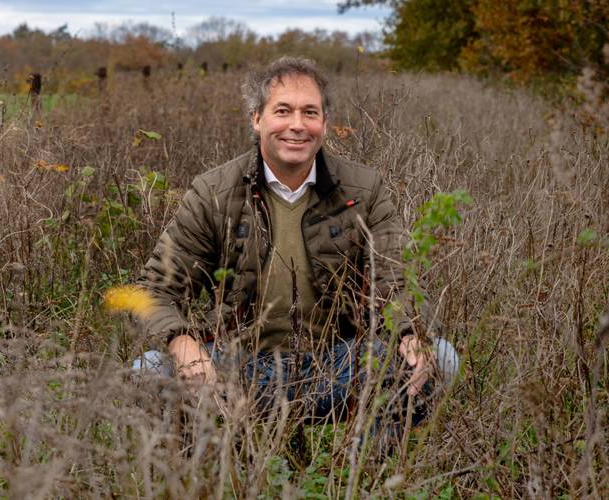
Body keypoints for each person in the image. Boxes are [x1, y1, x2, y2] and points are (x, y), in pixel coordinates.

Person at [133, 57, 458, 440]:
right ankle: (207, 471)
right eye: (282, 111)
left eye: (310, 113)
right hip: (241, 366)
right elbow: (154, 290)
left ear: (324, 123)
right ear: (257, 119)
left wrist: (408, 332)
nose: (297, 125)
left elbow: (395, 276)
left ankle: (365, 469)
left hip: (337, 362)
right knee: (148, 370)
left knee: (442, 358)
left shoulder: (363, 189)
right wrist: (184, 344)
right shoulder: (213, 192)